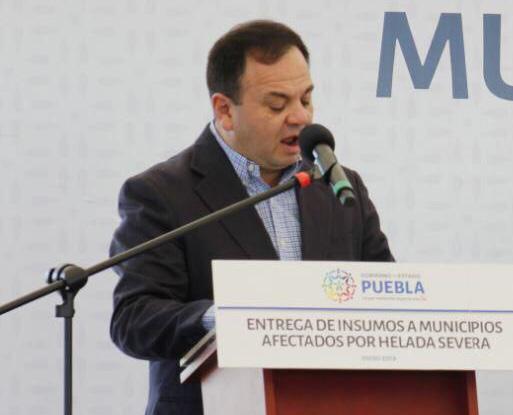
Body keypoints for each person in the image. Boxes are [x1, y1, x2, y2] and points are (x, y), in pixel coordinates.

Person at [110, 20, 393, 415]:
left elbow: (383, 299)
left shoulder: (341, 188)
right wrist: (224, 319)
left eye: (306, 99)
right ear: (225, 110)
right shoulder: (161, 193)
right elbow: (134, 319)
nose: (300, 118)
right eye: (277, 105)